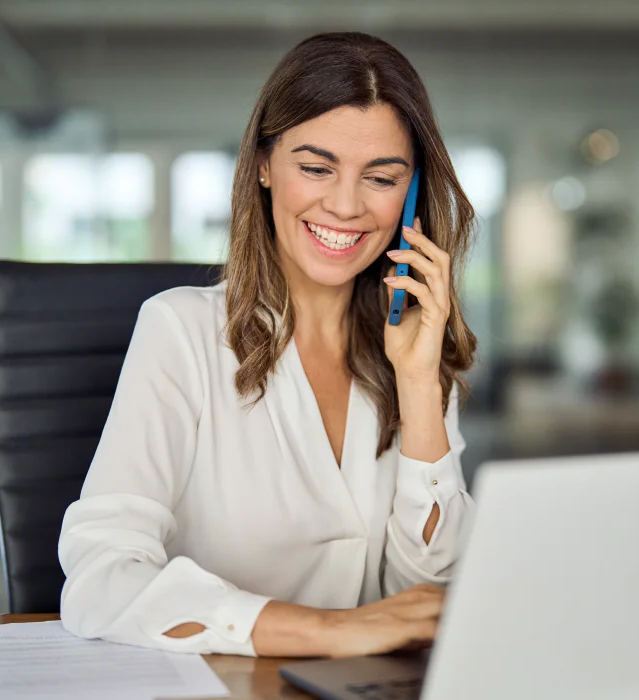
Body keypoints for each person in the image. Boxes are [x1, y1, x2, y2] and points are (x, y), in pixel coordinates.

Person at [58, 31, 478, 659]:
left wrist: (418, 383)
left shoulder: (412, 348)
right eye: (315, 168)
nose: (345, 205)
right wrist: (330, 631)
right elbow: (100, 577)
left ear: (412, 195)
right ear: (262, 164)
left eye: (382, 178)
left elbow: (423, 600)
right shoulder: (180, 331)